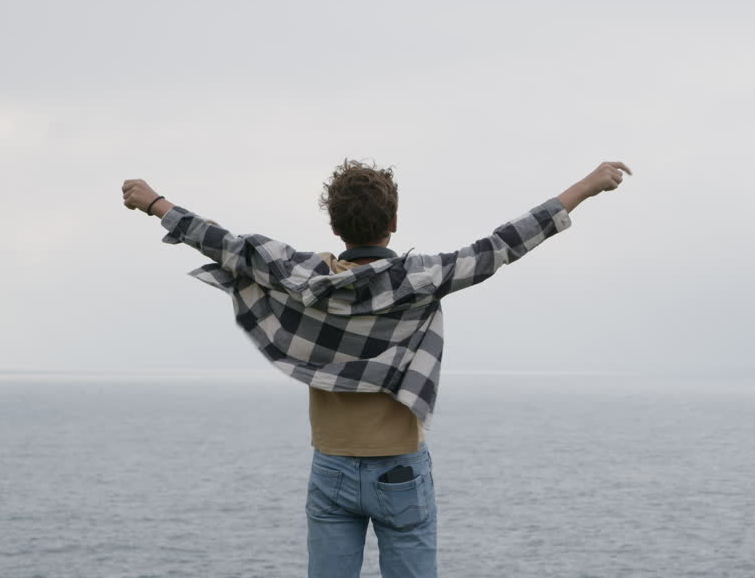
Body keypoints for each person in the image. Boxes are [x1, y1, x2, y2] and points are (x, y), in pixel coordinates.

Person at [120, 160, 632, 578]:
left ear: (335, 226)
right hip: (401, 468)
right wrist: (586, 186)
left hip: (332, 467)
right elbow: (503, 245)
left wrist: (155, 203)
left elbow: (226, 243)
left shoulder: (303, 276)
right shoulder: (421, 278)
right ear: (393, 224)